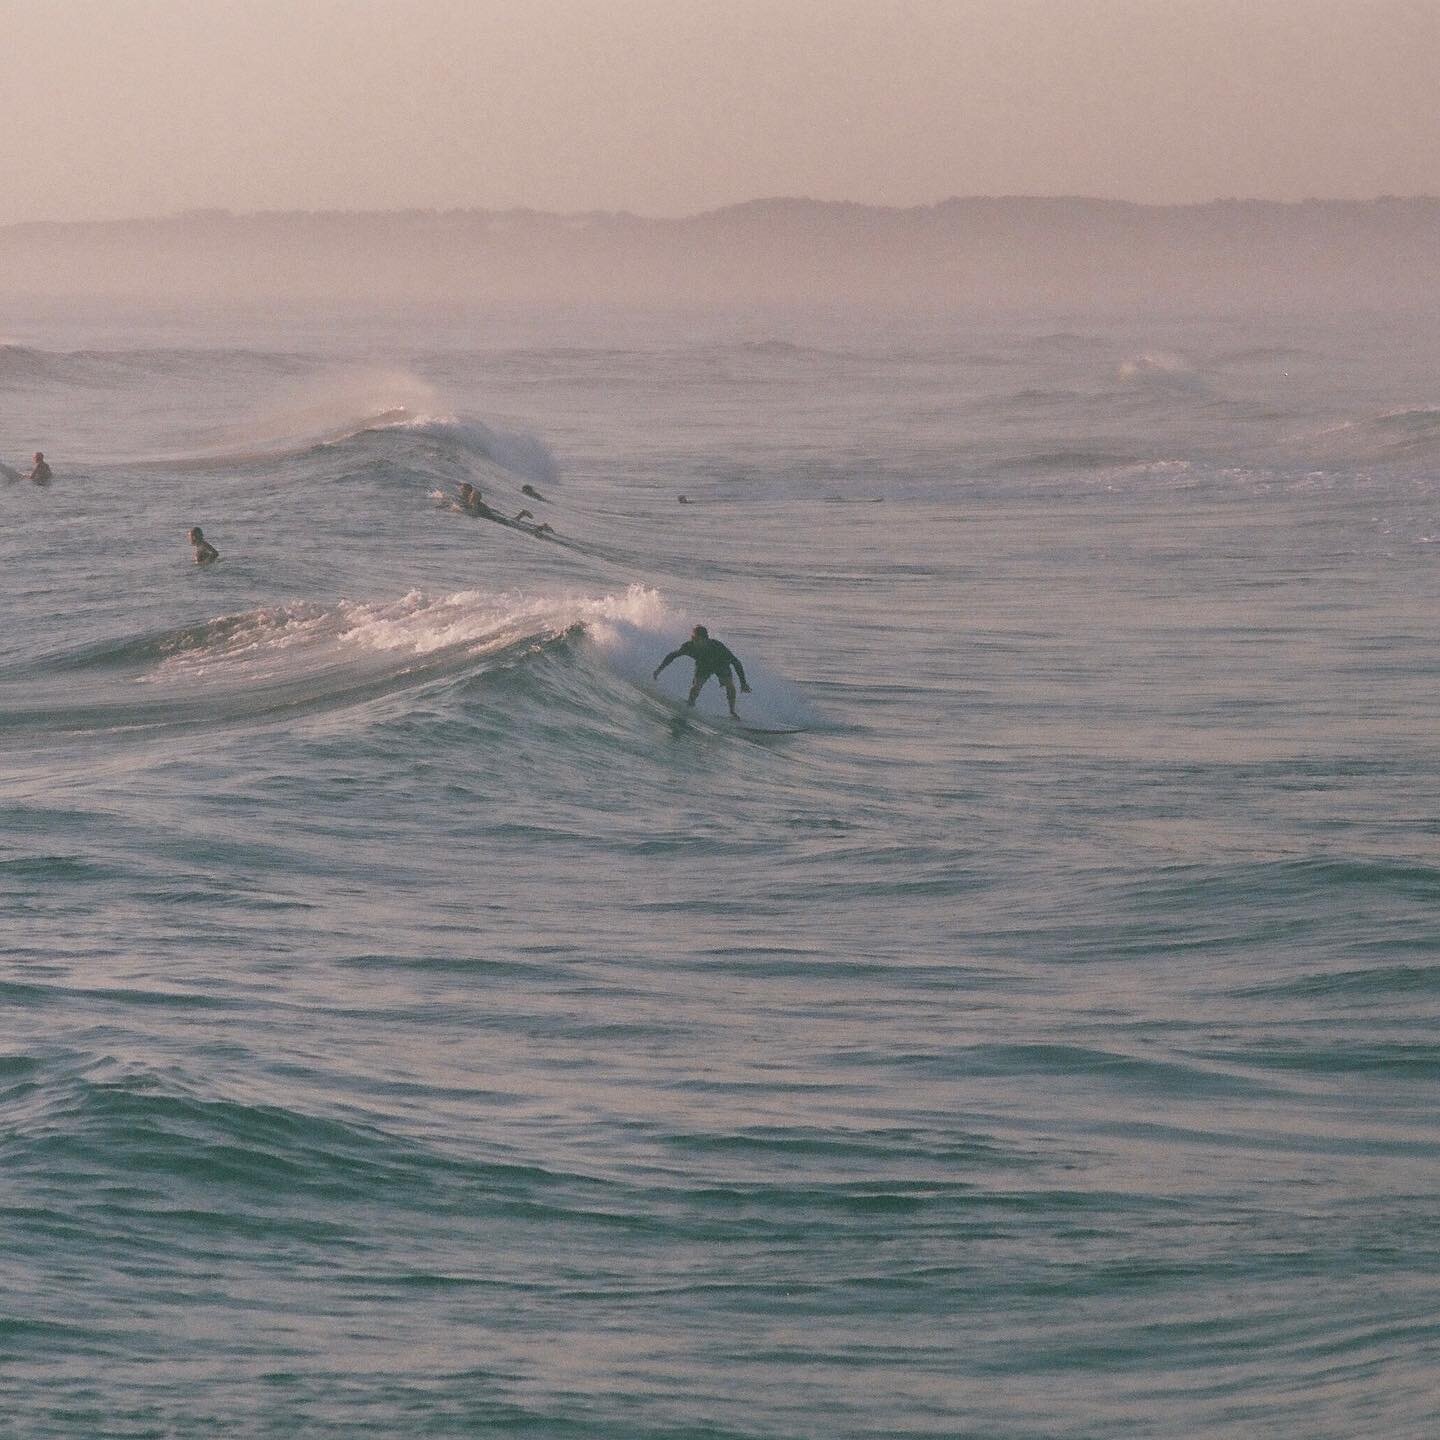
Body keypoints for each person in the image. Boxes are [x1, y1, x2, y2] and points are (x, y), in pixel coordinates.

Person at [653, 624, 751, 717]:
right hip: (703, 665)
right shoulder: (689, 646)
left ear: (705, 639)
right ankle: (690, 705)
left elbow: (736, 662)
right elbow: (672, 656)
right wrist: (659, 670)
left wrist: (743, 683)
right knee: (697, 685)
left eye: (696, 639)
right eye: (693, 638)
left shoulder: (718, 647)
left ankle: (732, 712)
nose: (694, 641)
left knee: (729, 684)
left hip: (720, 664)